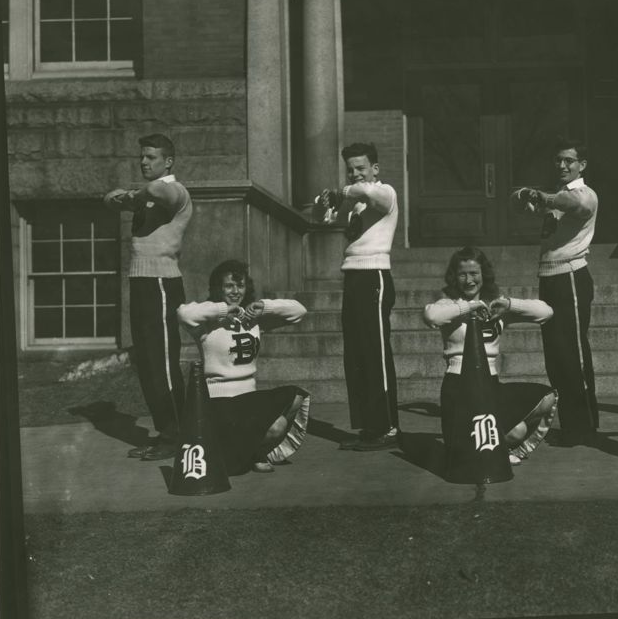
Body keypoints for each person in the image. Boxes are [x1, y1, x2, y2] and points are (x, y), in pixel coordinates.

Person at [423, 247, 557, 466]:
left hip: (490, 384)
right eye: (462, 274)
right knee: (463, 457)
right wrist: (468, 307)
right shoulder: (449, 305)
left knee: (533, 415)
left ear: (483, 275)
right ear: (454, 278)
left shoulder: (496, 309)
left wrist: (509, 305)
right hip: (458, 386)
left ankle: (514, 452)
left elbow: (546, 312)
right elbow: (431, 316)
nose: (469, 280)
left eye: (474, 273)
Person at [104, 133, 192, 461]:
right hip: (141, 282)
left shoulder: (176, 191)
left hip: (162, 283)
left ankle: (179, 435)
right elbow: (108, 198)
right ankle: (165, 432)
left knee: (163, 363)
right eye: (142, 156)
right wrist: (128, 197)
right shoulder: (145, 193)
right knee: (147, 364)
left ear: (168, 161)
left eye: (151, 157)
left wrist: (132, 196)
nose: (144, 162)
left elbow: (158, 191)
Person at [177, 260, 309, 475]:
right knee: (274, 425)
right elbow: (184, 313)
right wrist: (222, 310)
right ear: (218, 288)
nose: (235, 291)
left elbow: (299, 311)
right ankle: (247, 454)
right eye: (229, 286)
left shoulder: (253, 321)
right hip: (218, 403)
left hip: (248, 399)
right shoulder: (206, 324)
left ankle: (257, 452)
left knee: (295, 398)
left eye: (240, 286)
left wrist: (265, 307)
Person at [510, 138, 598, 447]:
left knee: (574, 355)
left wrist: (543, 196)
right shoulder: (558, 196)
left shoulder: (585, 195)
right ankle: (573, 425)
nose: (562, 165)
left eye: (569, 161)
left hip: (571, 277)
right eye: (558, 160)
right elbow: (530, 204)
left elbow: (574, 205)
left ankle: (585, 427)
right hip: (549, 278)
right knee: (557, 359)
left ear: (581, 165)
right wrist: (524, 197)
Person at [315, 142, 400, 451]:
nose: (355, 174)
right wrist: (326, 202)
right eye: (350, 169)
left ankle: (388, 427)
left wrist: (345, 191)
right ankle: (370, 426)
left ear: (375, 169)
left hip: (374, 276)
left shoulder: (386, 193)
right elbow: (323, 218)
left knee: (375, 353)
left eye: (361, 168)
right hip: (353, 277)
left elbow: (368, 192)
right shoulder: (354, 203)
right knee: (357, 355)